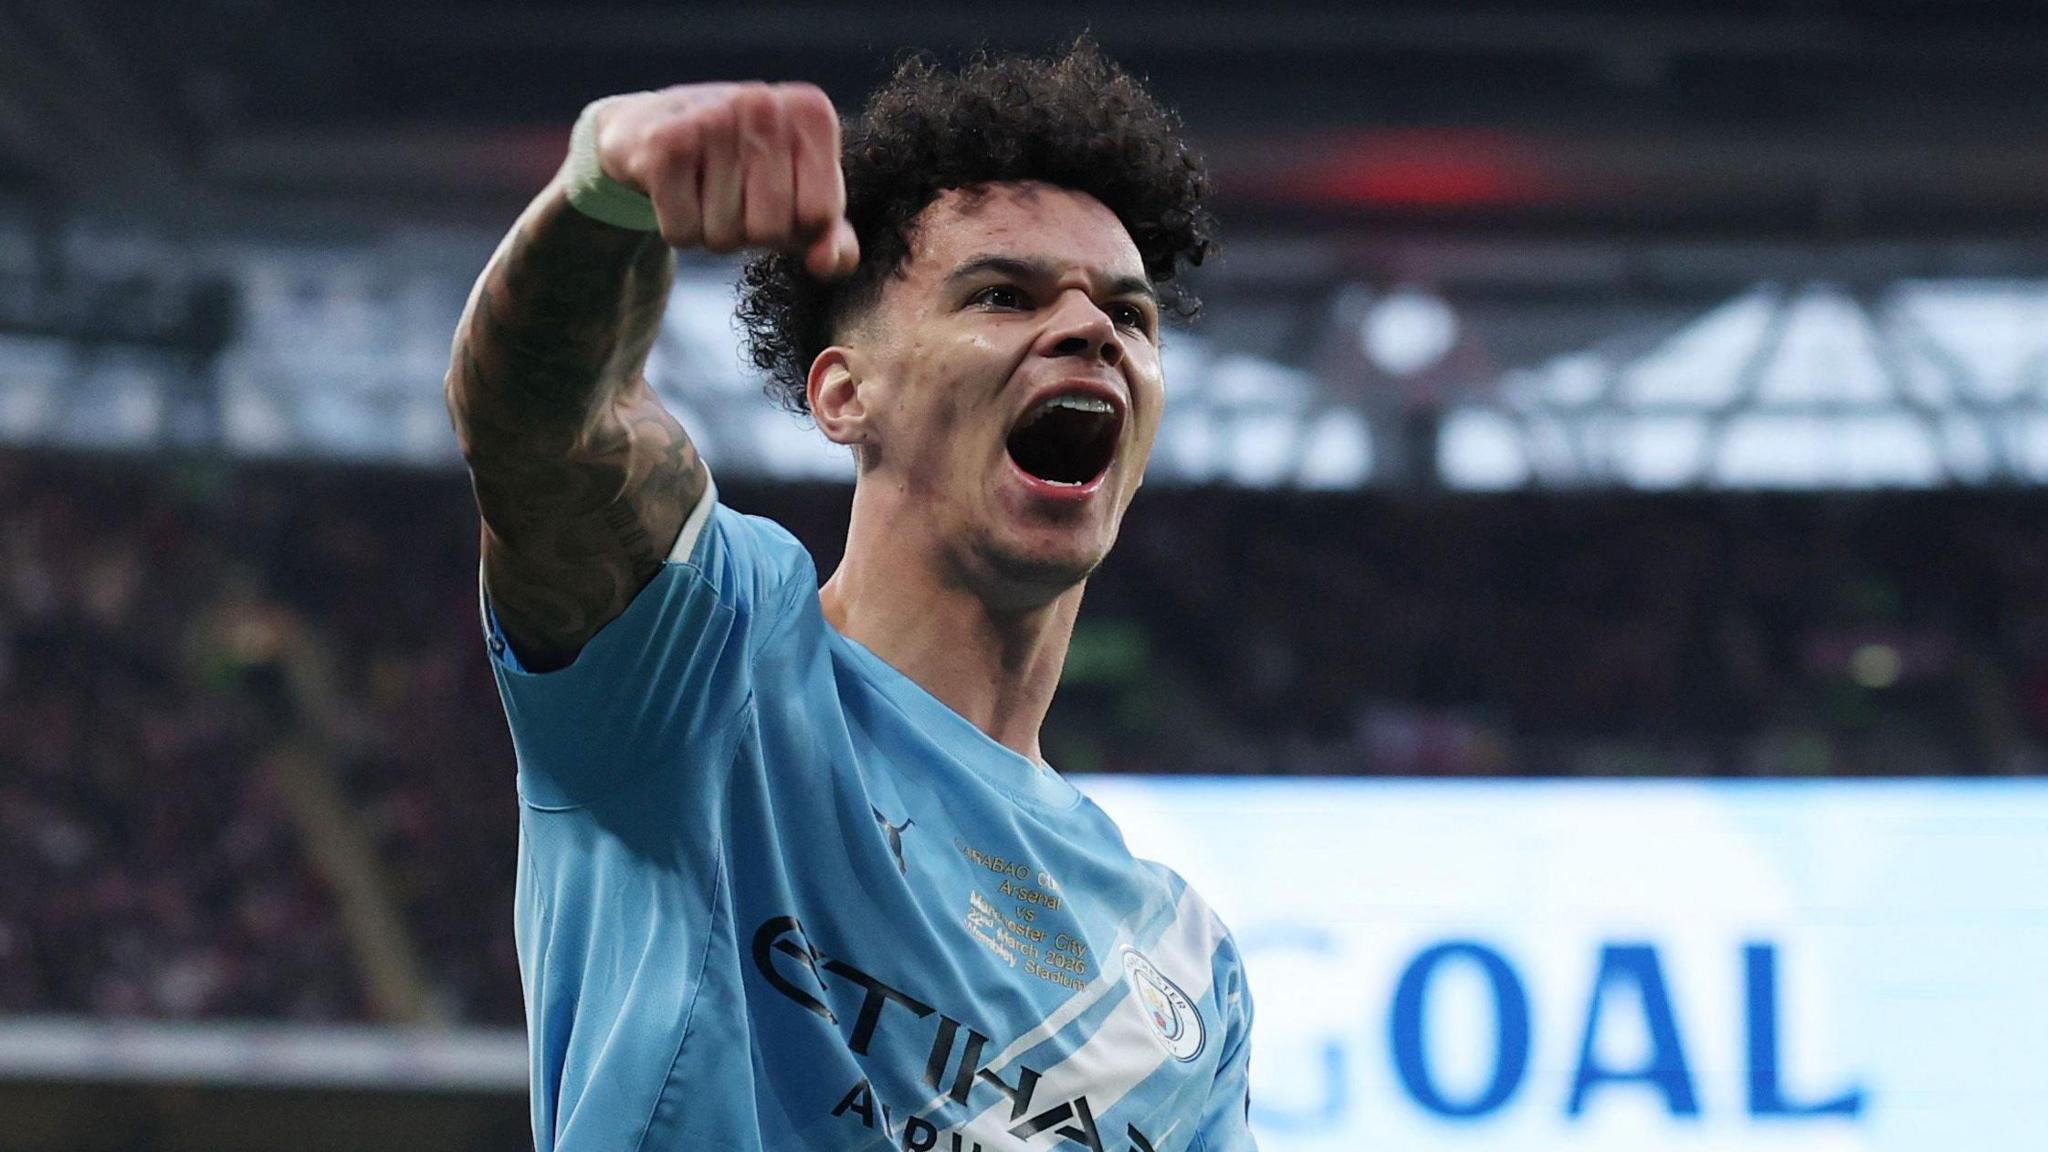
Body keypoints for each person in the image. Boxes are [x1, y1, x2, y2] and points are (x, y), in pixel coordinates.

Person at [445, 39, 1253, 1152]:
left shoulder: (1182, 967)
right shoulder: (709, 663)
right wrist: (606, 193)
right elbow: (549, 429)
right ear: (842, 392)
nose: (1089, 333)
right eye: (1001, 295)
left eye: (1130, 315)